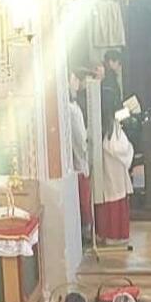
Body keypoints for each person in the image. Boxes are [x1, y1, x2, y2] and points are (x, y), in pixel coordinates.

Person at [94, 85, 135, 247]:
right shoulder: (111, 124)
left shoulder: (100, 121)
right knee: (114, 201)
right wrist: (129, 147)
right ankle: (114, 235)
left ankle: (103, 233)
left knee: (107, 200)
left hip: (105, 168)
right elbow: (117, 147)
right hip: (114, 168)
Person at [68, 70, 91, 240]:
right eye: (74, 79)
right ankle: (84, 233)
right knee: (82, 201)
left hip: (78, 161)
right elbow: (80, 139)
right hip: (78, 162)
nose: (77, 83)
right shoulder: (72, 110)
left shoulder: (74, 106)